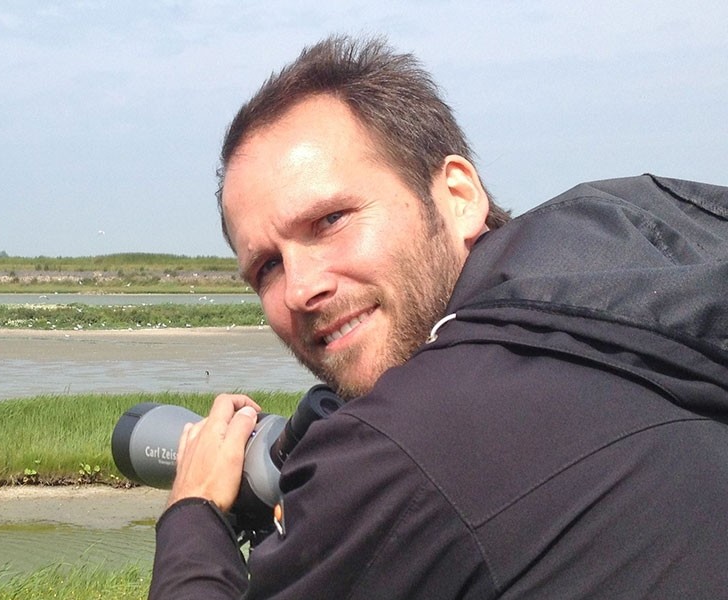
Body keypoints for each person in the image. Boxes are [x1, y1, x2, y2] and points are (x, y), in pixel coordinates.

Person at [149, 34, 728, 598]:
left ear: (457, 194)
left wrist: (194, 514)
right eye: (268, 267)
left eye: (330, 221)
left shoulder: (401, 451)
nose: (300, 290)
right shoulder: (628, 301)